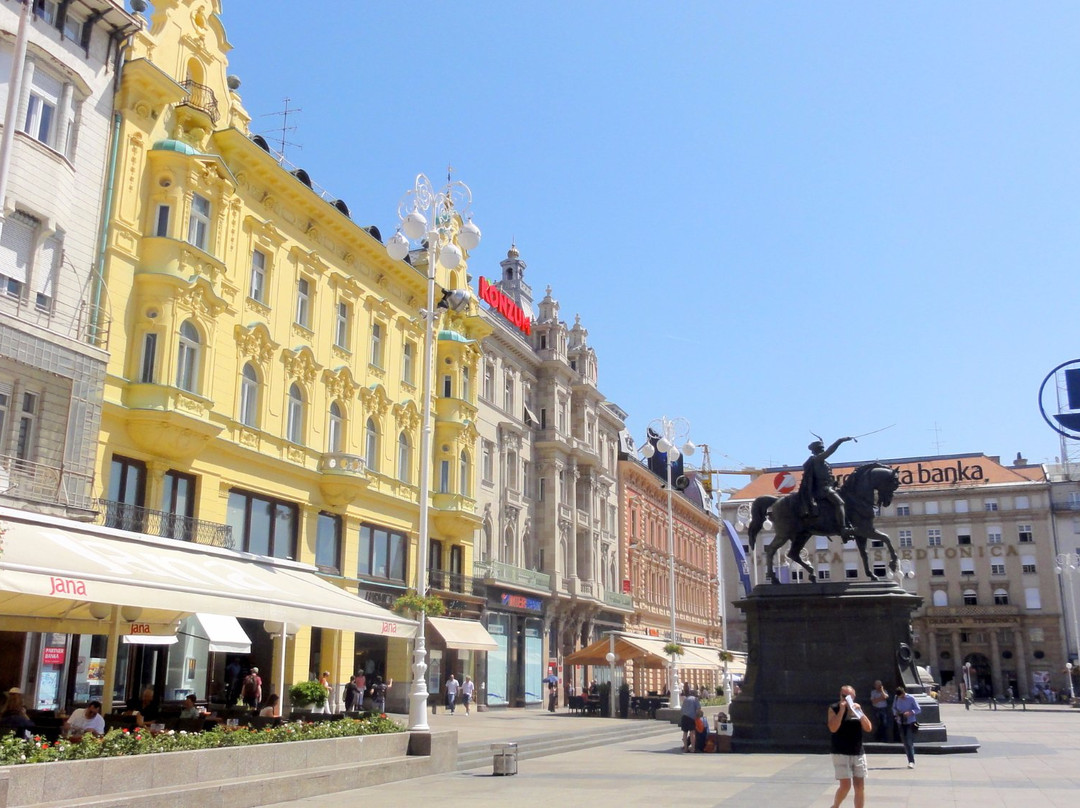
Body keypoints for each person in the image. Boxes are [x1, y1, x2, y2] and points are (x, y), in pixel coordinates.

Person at [799, 436, 855, 536]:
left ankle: (846, 523)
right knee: (840, 503)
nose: (823, 450)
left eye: (822, 448)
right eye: (821, 448)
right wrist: (840, 440)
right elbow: (830, 451)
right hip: (823, 489)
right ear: (816, 450)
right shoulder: (817, 459)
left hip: (829, 487)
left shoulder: (822, 461)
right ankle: (842, 529)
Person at [828, 685, 873, 808]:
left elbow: (868, 728)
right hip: (840, 751)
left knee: (859, 786)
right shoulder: (834, 708)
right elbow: (833, 728)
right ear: (840, 696)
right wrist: (842, 711)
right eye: (844, 696)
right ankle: (835, 805)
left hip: (857, 751)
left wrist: (860, 713)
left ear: (854, 696)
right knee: (845, 786)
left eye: (849, 696)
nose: (846, 698)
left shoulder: (857, 709)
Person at [893, 685, 921, 768]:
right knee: (905, 742)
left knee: (909, 742)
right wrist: (896, 714)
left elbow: (918, 709)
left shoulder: (911, 698)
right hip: (900, 722)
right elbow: (894, 708)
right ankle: (909, 759)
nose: (901, 698)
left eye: (902, 696)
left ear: (904, 693)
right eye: (900, 697)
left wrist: (910, 712)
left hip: (910, 722)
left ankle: (911, 761)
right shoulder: (896, 698)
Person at [680, 688, 701, 753]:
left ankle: (686, 748)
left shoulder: (685, 699)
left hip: (684, 717)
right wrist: (698, 717)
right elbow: (698, 709)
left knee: (685, 732)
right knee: (692, 733)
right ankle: (693, 748)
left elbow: (682, 709)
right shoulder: (695, 699)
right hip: (691, 718)